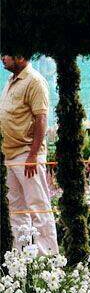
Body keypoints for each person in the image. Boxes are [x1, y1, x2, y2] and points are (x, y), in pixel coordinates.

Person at [0, 52, 59, 254]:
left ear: (20, 56)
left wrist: (33, 155)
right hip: (9, 155)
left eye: (6, 55)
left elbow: (41, 119)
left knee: (38, 205)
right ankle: (22, 256)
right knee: (16, 208)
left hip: (27, 155)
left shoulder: (34, 81)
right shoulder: (11, 80)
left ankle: (48, 256)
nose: (2, 58)